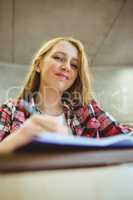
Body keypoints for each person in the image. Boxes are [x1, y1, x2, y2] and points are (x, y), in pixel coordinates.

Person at [0, 37, 132, 153]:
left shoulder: (88, 109)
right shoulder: (11, 109)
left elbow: (126, 138)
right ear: (38, 65)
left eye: (74, 65)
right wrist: (18, 137)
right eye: (58, 58)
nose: (66, 67)